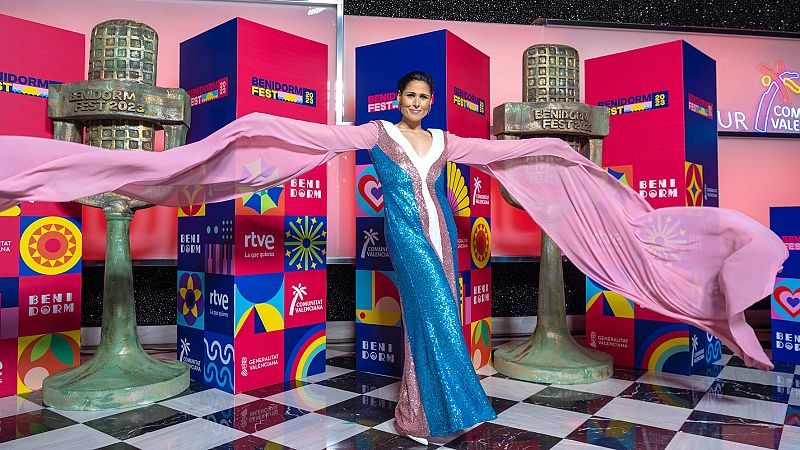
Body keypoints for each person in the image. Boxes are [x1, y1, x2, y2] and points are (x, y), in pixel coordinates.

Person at [0, 71, 788, 441]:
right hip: (408, 241)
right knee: (433, 312)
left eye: (421, 99)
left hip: (443, 232)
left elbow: (504, 154)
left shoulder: (447, 139)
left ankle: (438, 410)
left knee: (441, 316)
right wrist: (241, 131)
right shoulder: (372, 135)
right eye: (407, 98)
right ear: (395, 102)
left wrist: (560, 150)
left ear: (429, 104)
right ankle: (427, 411)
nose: (414, 106)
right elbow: (306, 136)